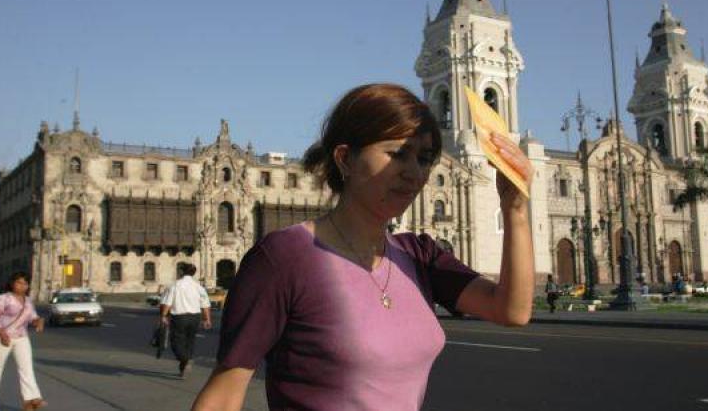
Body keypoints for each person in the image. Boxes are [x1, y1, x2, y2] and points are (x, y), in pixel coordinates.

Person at [192, 83, 536, 411]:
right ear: (345, 159)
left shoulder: (419, 255)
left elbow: (512, 311)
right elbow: (222, 397)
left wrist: (516, 209)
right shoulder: (284, 258)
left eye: (424, 158)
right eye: (398, 154)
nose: (414, 173)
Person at [0, 272, 47, 410]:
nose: (22, 286)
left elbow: (32, 317)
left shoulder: (28, 300)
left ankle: (30, 400)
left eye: (25, 283)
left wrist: (38, 321)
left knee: (26, 368)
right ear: (12, 283)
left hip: (22, 337)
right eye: (19, 282)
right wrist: (1, 333)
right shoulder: (4, 298)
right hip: (3, 337)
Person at [159, 263, 212, 378]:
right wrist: (207, 319)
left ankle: (185, 360)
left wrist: (163, 316)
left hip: (179, 317)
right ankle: (183, 369)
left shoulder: (175, 286)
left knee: (176, 342)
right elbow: (205, 304)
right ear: (193, 273)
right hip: (195, 317)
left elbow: (167, 303)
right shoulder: (198, 287)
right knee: (190, 341)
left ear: (182, 272)